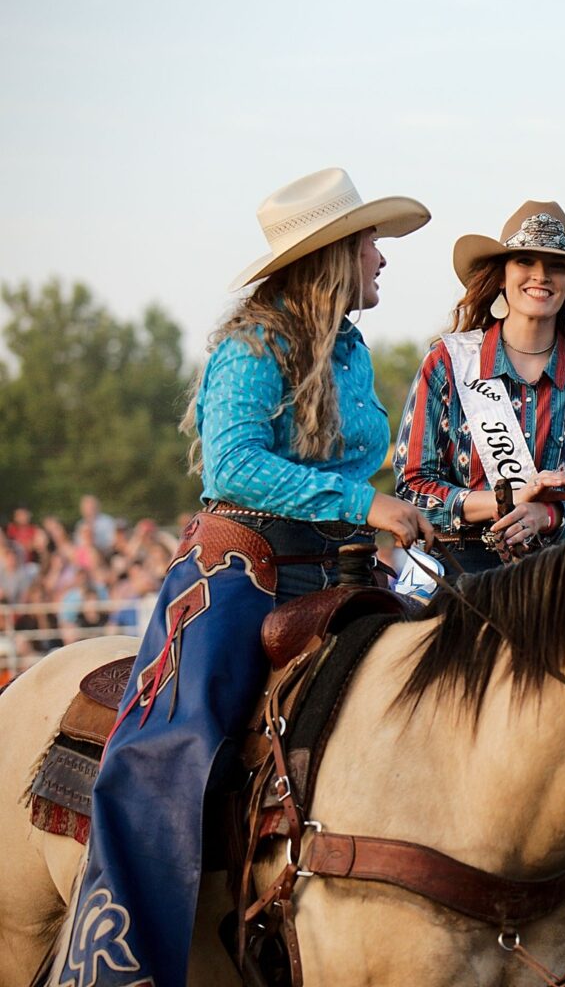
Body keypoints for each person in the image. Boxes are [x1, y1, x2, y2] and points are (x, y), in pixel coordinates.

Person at [55, 168, 433, 987]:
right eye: (370, 242)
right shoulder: (253, 343)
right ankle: (116, 967)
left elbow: (359, 460)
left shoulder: (351, 347)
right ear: (334, 254)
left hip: (336, 567)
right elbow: (232, 465)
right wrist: (361, 502)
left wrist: (400, 507)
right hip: (243, 569)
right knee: (167, 751)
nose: (382, 258)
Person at [395, 200, 565, 574]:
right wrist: (513, 499)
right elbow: (413, 487)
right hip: (459, 565)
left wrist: (545, 514)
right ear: (501, 275)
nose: (541, 276)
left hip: (558, 571)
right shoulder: (448, 363)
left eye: (556, 266)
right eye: (525, 262)